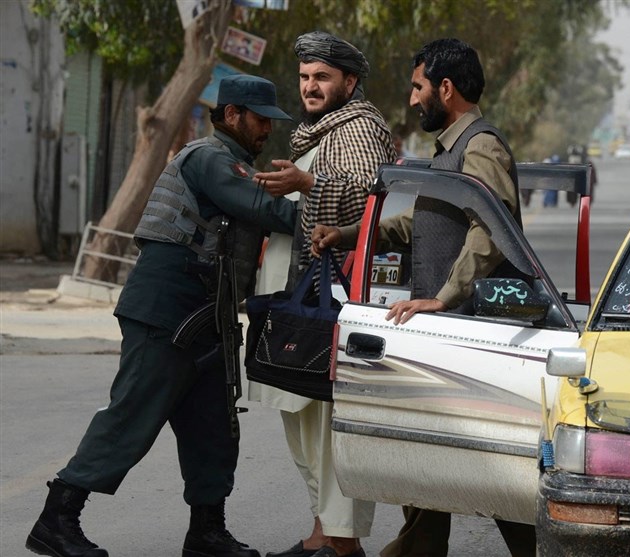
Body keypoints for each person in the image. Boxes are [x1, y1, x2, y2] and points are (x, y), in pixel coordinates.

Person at [26, 74, 297, 557]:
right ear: (231, 114)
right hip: (166, 309)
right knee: (131, 417)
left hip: (204, 316)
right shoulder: (212, 159)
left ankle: (207, 533)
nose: (266, 131)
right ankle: (57, 519)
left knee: (214, 426)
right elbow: (269, 211)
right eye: (259, 119)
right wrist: (335, 213)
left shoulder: (233, 161)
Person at [310, 38, 534, 556]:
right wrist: (349, 234)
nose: (413, 100)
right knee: (436, 479)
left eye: (418, 87)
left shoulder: (480, 146)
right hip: (450, 336)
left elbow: (490, 231)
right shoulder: (452, 149)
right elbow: (423, 222)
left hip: (475, 337)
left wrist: (445, 296)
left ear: (446, 88)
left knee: (491, 476)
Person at [248, 31, 395, 557]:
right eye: (306, 77)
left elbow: (369, 198)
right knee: (299, 413)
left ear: (348, 82)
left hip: (328, 297)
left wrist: (307, 187)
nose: (310, 87)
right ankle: (321, 532)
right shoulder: (316, 133)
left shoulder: (359, 128)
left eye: (322, 78)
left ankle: (340, 542)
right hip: (297, 293)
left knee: (327, 421)